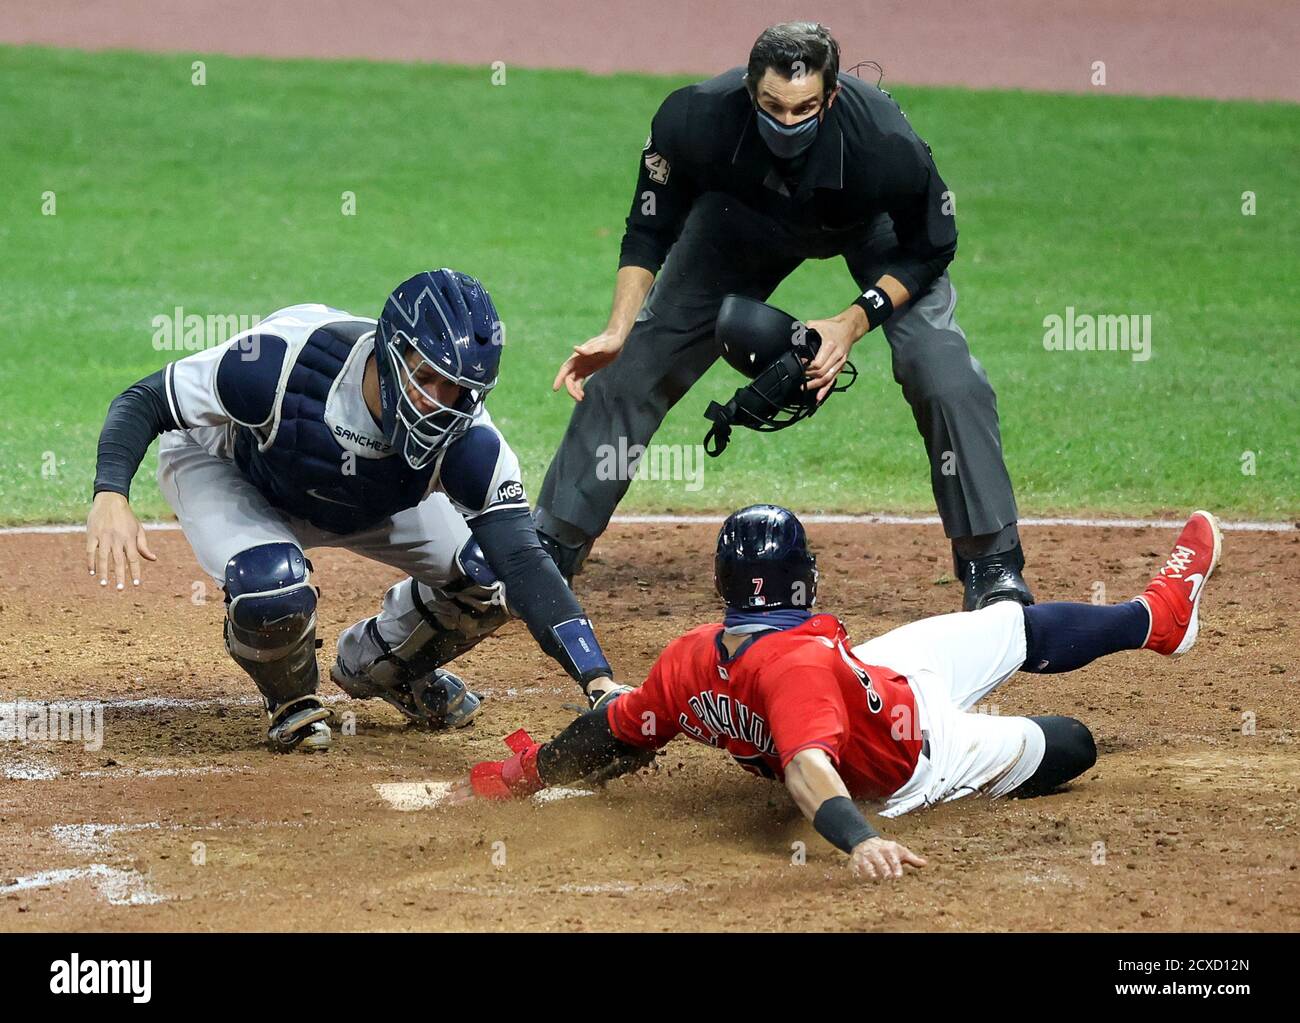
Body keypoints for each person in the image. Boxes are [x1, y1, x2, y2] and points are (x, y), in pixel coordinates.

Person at [536, 21, 1032, 611]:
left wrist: (851, 322)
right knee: (634, 364)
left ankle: (991, 562)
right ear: (750, 91)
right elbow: (649, 227)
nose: (788, 121)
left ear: (832, 96)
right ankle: (551, 546)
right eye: (773, 106)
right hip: (741, 221)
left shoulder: (884, 143)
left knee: (943, 369)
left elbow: (930, 247)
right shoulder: (692, 119)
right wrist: (617, 329)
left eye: (804, 109)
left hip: (874, 229)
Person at [458, 505, 1222, 883]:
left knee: (1005, 623)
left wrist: (530, 774)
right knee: (1072, 742)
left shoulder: (690, 657)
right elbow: (808, 769)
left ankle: (1159, 617)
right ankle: (1015, 739)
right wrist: (861, 839)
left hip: (881, 673)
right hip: (924, 757)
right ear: (801, 578)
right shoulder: (795, 670)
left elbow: (615, 730)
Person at [85, 270, 625, 752]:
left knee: (488, 576)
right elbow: (145, 401)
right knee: (271, 585)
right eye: (427, 377)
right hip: (237, 472)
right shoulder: (278, 364)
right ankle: (290, 698)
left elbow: (525, 562)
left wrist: (598, 680)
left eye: (459, 390)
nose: (441, 400)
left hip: (372, 501)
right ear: (391, 354)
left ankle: (386, 666)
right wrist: (111, 493)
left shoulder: (470, 444)